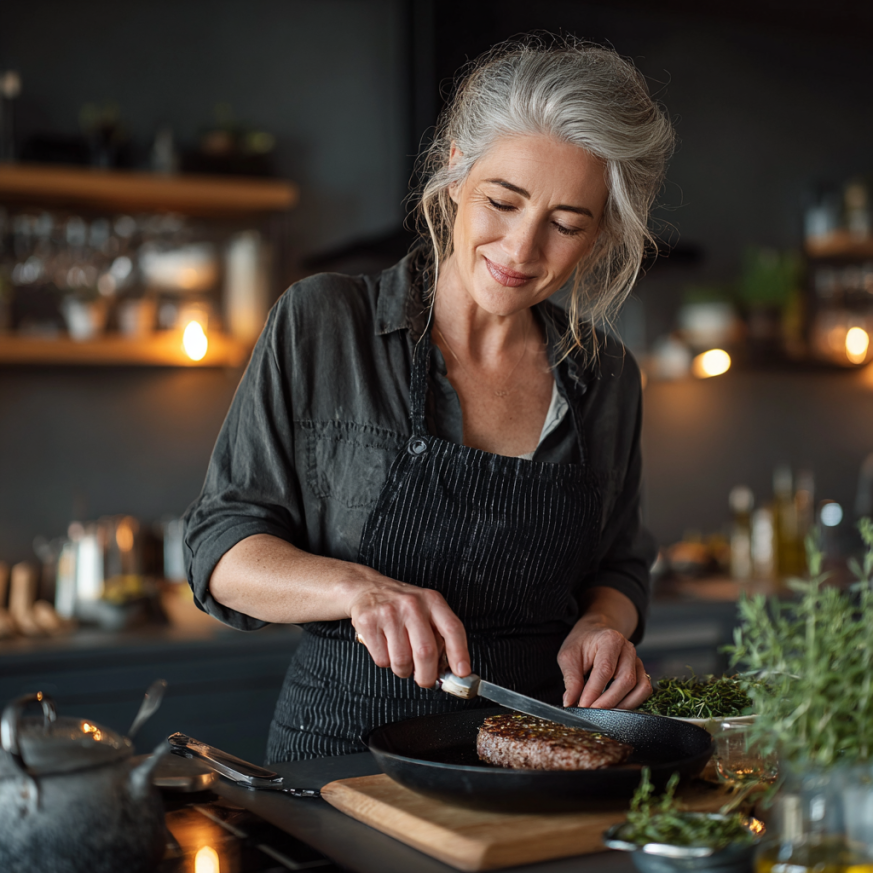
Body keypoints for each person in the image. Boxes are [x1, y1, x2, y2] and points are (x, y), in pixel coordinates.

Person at [183, 36, 674, 762]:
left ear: (600, 236)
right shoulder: (324, 322)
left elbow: (620, 564)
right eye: (502, 202)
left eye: (566, 224)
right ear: (453, 171)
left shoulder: (606, 377)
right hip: (340, 758)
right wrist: (357, 589)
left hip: (537, 752)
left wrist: (605, 622)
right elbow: (218, 549)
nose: (520, 249)